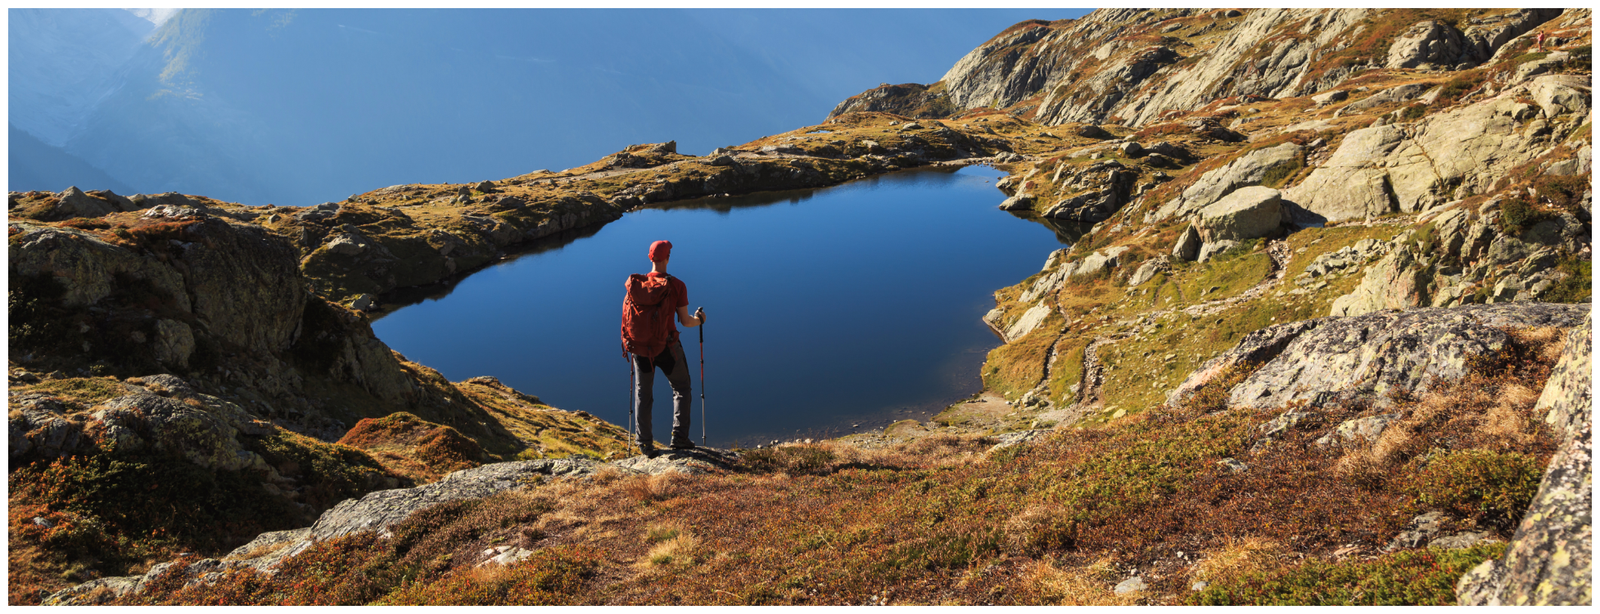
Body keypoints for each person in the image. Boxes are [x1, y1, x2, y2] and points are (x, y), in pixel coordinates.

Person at [625, 240, 705, 457]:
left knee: (643, 394)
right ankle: (679, 438)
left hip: (641, 350)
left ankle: (645, 443)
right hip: (667, 347)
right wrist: (700, 320)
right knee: (681, 387)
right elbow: (686, 322)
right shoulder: (677, 285)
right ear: (667, 258)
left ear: (650, 258)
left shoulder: (636, 285)